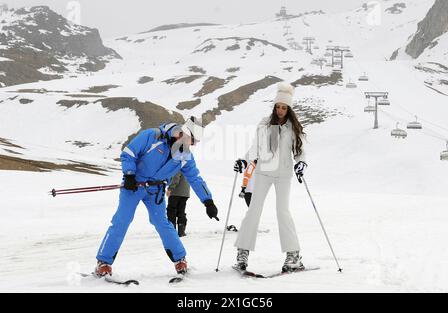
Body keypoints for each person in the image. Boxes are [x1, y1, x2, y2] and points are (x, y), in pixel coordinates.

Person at [94, 117, 219, 277]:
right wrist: (130, 175)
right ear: (182, 133)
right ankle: (103, 262)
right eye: (192, 140)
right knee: (122, 220)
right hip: (134, 186)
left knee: (161, 222)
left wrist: (208, 201)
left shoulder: (185, 155)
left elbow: (195, 178)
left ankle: (180, 259)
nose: (193, 145)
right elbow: (129, 153)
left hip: (156, 190)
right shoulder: (153, 136)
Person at [233, 82, 308, 273]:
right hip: (264, 172)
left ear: (289, 109)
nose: (281, 110)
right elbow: (255, 148)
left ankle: (293, 254)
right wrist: (244, 160)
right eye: (278, 106)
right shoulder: (265, 124)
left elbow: (300, 151)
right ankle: (242, 252)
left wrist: (301, 163)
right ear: (274, 107)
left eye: (284, 107)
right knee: (254, 210)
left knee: (282, 211)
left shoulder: (293, 128)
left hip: (283, 175)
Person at [166, 171, 190, 237]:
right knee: (181, 212)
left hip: (176, 192)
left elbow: (176, 178)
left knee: (171, 211)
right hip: (185, 193)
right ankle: (181, 231)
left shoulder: (178, 164)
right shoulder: (186, 164)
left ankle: (172, 232)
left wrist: (170, 188)